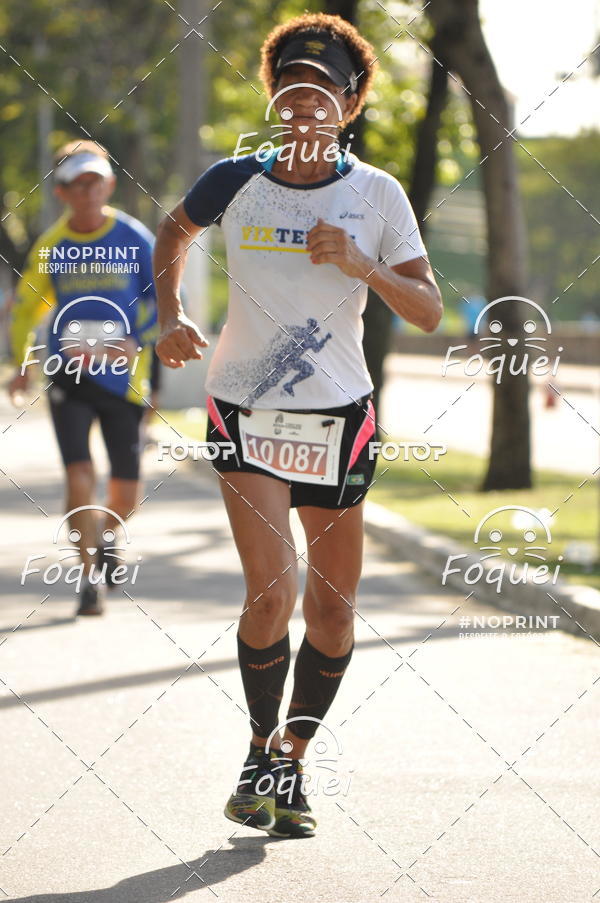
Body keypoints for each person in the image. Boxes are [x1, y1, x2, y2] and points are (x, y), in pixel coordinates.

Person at [154, 12, 442, 838]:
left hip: (339, 417)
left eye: (323, 92)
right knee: (272, 589)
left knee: (335, 611)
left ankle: (293, 757)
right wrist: (170, 314)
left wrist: (365, 265)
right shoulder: (236, 179)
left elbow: (424, 310)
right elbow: (176, 228)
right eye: (290, 89)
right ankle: (256, 751)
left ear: (350, 106)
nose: (304, 104)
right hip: (244, 409)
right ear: (274, 100)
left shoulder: (378, 196)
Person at [9, 141, 157, 616]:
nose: (88, 192)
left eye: (95, 181)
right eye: (77, 184)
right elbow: (26, 307)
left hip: (125, 380)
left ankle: (107, 533)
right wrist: (22, 361)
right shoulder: (52, 245)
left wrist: (140, 341)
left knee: (126, 493)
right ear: (61, 192)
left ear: (109, 184)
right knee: (78, 475)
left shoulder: (134, 239)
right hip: (68, 376)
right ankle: (88, 575)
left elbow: (165, 302)